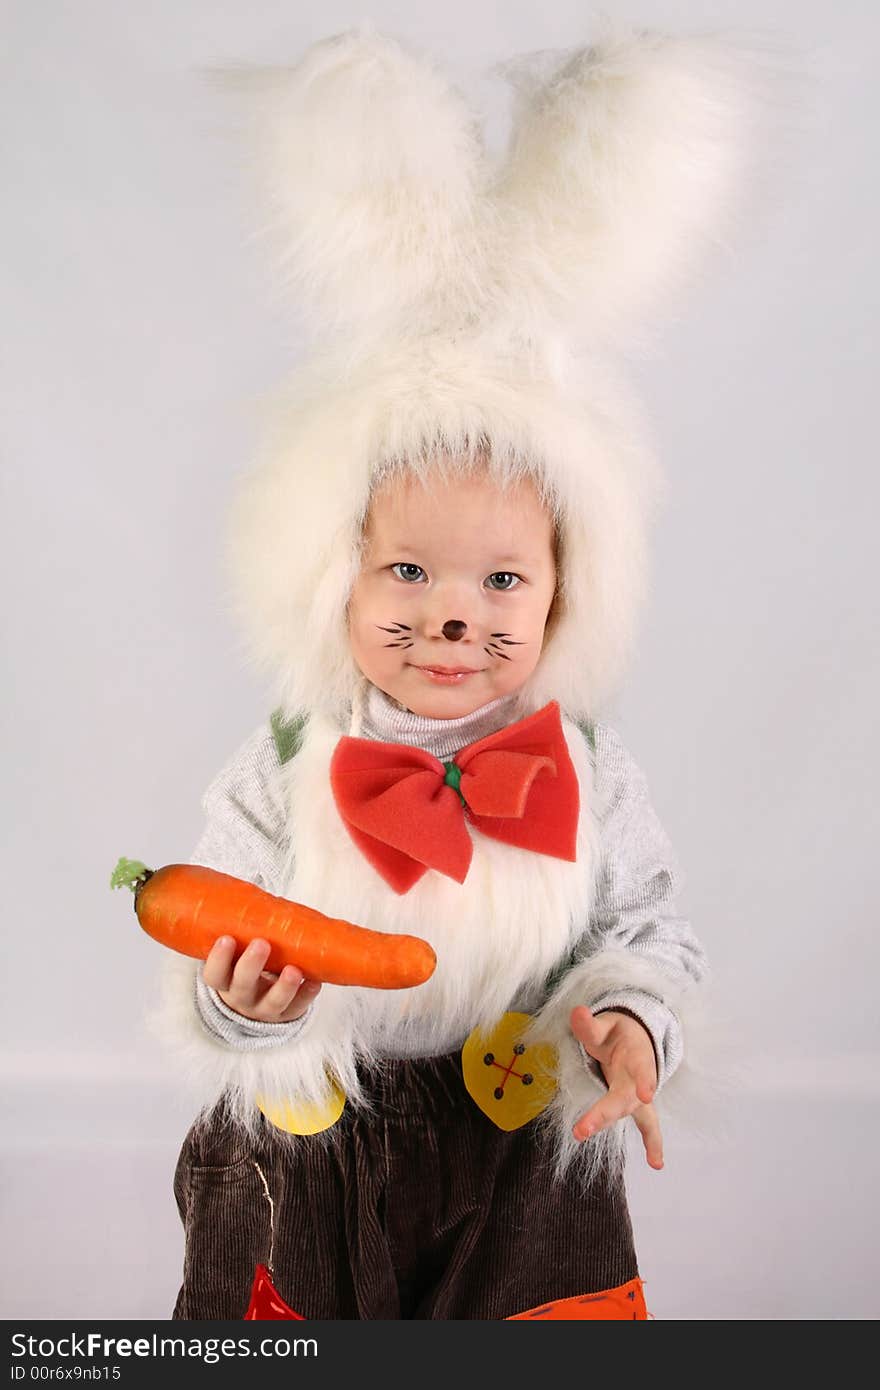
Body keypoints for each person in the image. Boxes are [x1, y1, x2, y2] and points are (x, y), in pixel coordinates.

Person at [154, 23, 756, 1320]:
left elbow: (646, 927)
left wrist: (630, 1021)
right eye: (407, 573)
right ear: (338, 575)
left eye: (501, 581)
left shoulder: (588, 774)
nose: (451, 618)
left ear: (563, 591)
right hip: (317, 1147)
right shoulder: (288, 759)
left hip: (523, 1153)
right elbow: (225, 916)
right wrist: (248, 1008)